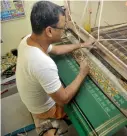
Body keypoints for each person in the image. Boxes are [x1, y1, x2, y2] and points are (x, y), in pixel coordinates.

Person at [16, 1, 94, 135]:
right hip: (44, 109)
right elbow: (63, 99)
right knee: (86, 104)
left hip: (30, 101)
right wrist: (82, 73)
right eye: (62, 28)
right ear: (49, 31)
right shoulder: (42, 63)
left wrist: (82, 45)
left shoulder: (28, 39)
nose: (64, 31)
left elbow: (56, 49)